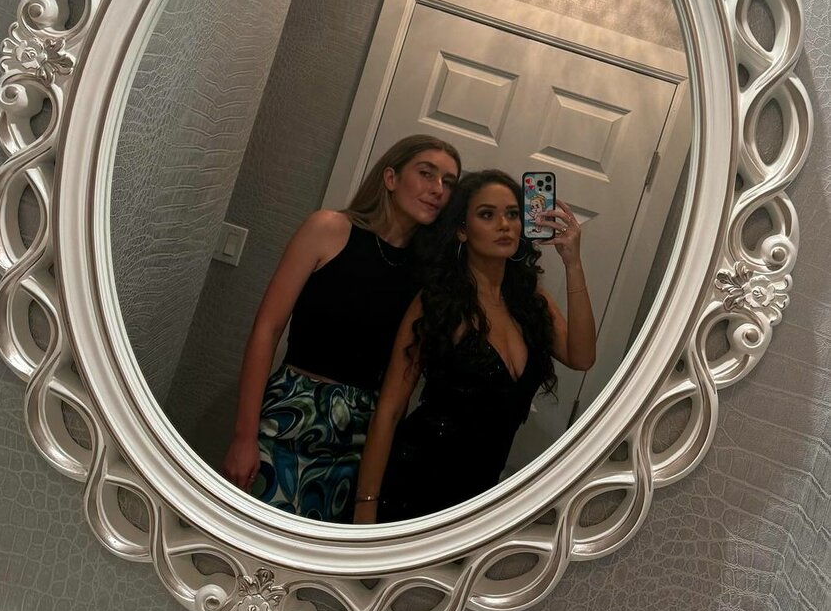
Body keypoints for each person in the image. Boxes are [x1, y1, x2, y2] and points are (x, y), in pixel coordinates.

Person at [222, 134, 461, 522]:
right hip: (290, 416)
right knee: (250, 536)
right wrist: (243, 436)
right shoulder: (329, 229)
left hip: (360, 439)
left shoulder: (428, 274)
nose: (438, 189)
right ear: (390, 178)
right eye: (426, 173)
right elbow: (267, 329)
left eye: (448, 183)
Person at [353, 169, 596, 524]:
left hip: (480, 499)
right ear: (462, 230)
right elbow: (389, 410)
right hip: (413, 484)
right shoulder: (436, 302)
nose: (504, 225)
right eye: (487, 214)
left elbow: (582, 356)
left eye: (512, 214)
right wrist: (366, 505)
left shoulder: (531, 301)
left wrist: (573, 262)